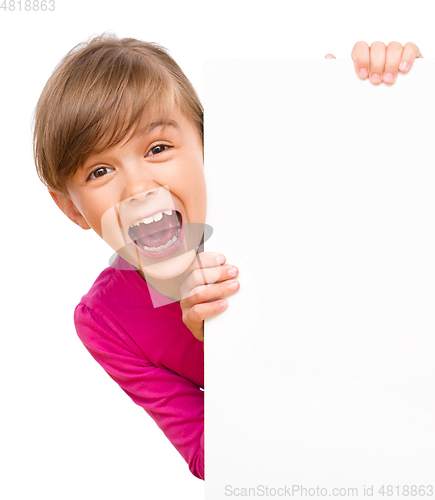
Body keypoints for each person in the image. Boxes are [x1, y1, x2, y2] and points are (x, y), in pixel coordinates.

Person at [32, 35, 422, 481]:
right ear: (70, 208)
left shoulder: (279, 194)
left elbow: (386, 252)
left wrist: (385, 99)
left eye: (158, 148)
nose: (138, 188)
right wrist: (226, 345)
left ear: (207, 142)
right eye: (100, 171)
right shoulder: (105, 319)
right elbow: (212, 457)